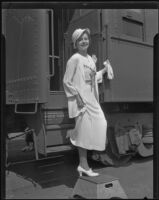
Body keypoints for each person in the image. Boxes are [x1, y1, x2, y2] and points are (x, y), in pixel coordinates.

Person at [63, 28, 113, 177]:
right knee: (84, 133)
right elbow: (66, 81)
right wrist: (77, 97)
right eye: (80, 40)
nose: (84, 41)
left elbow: (92, 78)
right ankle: (83, 165)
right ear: (75, 43)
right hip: (82, 101)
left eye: (86, 39)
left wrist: (103, 70)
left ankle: (73, 133)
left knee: (101, 123)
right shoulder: (75, 59)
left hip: (92, 100)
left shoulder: (90, 59)